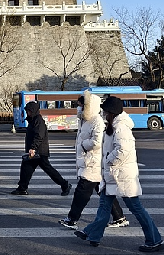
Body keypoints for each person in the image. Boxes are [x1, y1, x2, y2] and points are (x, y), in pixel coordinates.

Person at [74, 96, 164, 252]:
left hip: (122, 176)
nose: (103, 113)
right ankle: (92, 234)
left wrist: (108, 160)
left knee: (136, 209)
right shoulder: (113, 125)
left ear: (111, 112)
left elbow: (123, 150)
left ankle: (155, 240)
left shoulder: (121, 127)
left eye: (105, 111)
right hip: (112, 176)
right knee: (103, 207)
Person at [60, 91, 128, 230]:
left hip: (93, 163)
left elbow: (98, 141)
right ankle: (119, 217)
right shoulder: (84, 120)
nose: (78, 108)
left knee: (81, 192)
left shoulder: (96, 121)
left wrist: (84, 145)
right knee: (104, 191)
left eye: (81, 105)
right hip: (89, 161)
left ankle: (72, 219)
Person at [11, 100, 72, 196]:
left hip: (39, 152)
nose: (28, 112)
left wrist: (33, 148)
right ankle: (22, 188)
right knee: (26, 168)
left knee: (48, 170)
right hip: (36, 151)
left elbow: (39, 136)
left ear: (34, 110)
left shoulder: (38, 121)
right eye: (27, 111)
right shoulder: (33, 120)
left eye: (29, 111)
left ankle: (64, 184)